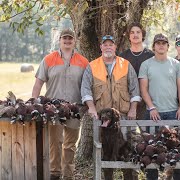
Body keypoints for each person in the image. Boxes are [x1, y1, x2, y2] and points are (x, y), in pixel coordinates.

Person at [80, 35, 141, 179]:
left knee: (127, 151)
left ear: (115, 47)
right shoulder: (92, 66)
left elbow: (135, 89)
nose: (108, 47)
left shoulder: (125, 65)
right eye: (105, 44)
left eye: (111, 44)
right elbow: (86, 90)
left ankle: (130, 177)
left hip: (124, 118)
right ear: (101, 47)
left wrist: (133, 108)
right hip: (103, 122)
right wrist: (92, 108)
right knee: (106, 154)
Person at [32, 28, 89, 180]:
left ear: (74, 41)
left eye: (70, 38)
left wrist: (88, 105)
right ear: (60, 40)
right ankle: (54, 174)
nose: (67, 41)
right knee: (55, 143)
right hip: (53, 110)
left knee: (70, 145)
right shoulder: (49, 59)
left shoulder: (83, 62)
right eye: (65, 38)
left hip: (74, 109)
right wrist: (34, 103)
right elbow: (38, 84)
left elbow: (89, 86)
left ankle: (68, 175)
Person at [139, 33, 180, 180]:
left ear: (167, 46)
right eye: (158, 43)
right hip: (153, 114)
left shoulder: (176, 64)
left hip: (173, 113)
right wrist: (152, 107)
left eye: (164, 43)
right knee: (151, 151)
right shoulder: (146, 64)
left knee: (177, 151)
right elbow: (143, 89)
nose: (161, 45)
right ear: (154, 46)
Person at [119, 22, 154, 120]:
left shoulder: (151, 56)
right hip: (128, 100)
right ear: (128, 36)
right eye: (132, 32)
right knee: (128, 133)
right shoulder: (122, 57)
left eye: (138, 32)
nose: (135, 35)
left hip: (148, 100)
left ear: (142, 35)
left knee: (148, 133)